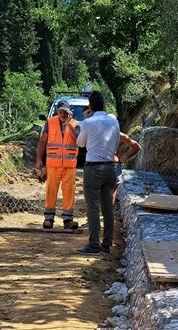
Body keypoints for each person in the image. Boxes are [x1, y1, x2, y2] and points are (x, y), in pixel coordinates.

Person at [75, 91, 120, 254]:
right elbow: (115, 144)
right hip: (110, 167)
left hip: (93, 168)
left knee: (93, 207)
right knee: (107, 207)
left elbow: (80, 143)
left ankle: (93, 244)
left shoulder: (88, 122)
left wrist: (86, 120)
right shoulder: (114, 122)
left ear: (90, 107)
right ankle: (106, 244)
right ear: (104, 105)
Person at [36, 100, 80, 230]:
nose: (62, 114)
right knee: (51, 191)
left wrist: (68, 125)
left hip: (69, 166)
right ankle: (48, 219)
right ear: (57, 111)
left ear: (69, 112)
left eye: (65, 112)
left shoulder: (75, 124)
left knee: (69, 193)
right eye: (60, 111)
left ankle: (68, 220)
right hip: (53, 165)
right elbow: (42, 142)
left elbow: (79, 140)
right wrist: (39, 160)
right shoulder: (50, 123)